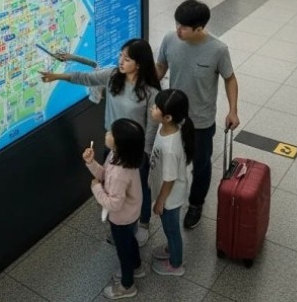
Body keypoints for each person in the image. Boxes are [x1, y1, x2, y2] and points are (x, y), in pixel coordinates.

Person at [42, 39, 161, 247]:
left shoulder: (150, 92)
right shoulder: (114, 76)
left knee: (139, 187)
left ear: (139, 64)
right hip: (113, 146)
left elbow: (151, 127)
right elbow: (85, 77)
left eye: (127, 58)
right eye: (120, 56)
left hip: (135, 150)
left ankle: (142, 223)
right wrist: (56, 77)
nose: (121, 61)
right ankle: (122, 223)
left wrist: (145, 154)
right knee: (113, 183)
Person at [155, 0, 239, 231]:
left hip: (201, 122)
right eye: (177, 24)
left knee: (200, 165)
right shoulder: (170, 39)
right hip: (173, 118)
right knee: (171, 159)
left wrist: (233, 110)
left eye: (184, 27)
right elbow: (160, 68)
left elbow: (230, 78)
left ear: (200, 27)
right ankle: (168, 195)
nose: (178, 30)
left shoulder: (218, 50)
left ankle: (196, 204)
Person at [82, 119, 145, 300]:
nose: (108, 133)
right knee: (130, 241)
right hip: (130, 213)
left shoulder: (120, 172)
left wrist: (96, 189)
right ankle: (137, 265)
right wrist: (91, 163)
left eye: (112, 133)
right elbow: (105, 175)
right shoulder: (117, 156)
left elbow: (114, 203)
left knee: (123, 251)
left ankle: (127, 285)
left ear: (120, 143)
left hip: (122, 217)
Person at [149, 89, 194, 278]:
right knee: (170, 228)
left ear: (167, 117)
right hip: (166, 192)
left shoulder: (170, 148)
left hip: (169, 198)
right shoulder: (167, 127)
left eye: (156, 107)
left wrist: (160, 202)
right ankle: (171, 248)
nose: (152, 108)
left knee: (172, 229)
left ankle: (176, 264)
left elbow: (170, 179)